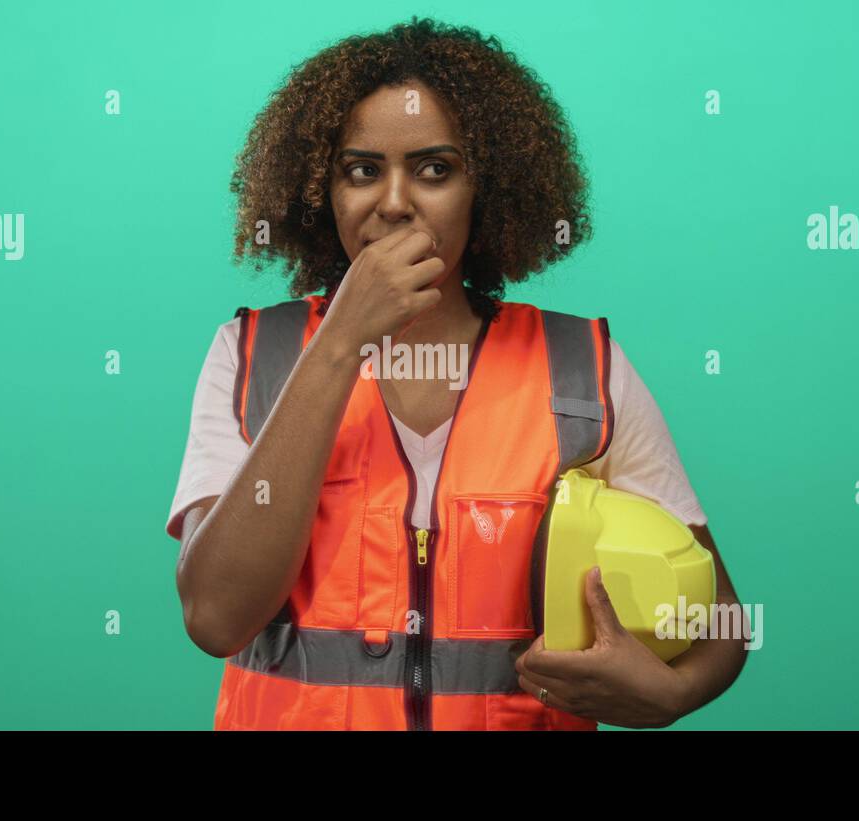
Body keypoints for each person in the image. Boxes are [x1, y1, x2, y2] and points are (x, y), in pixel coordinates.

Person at [166, 17, 747, 730]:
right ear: (323, 191)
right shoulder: (253, 355)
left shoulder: (582, 371)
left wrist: (673, 695)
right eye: (362, 169)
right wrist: (342, 340)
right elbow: (215, 616)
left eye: (435, 169)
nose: (395, 201)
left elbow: (719, 618)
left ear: (487, 189)